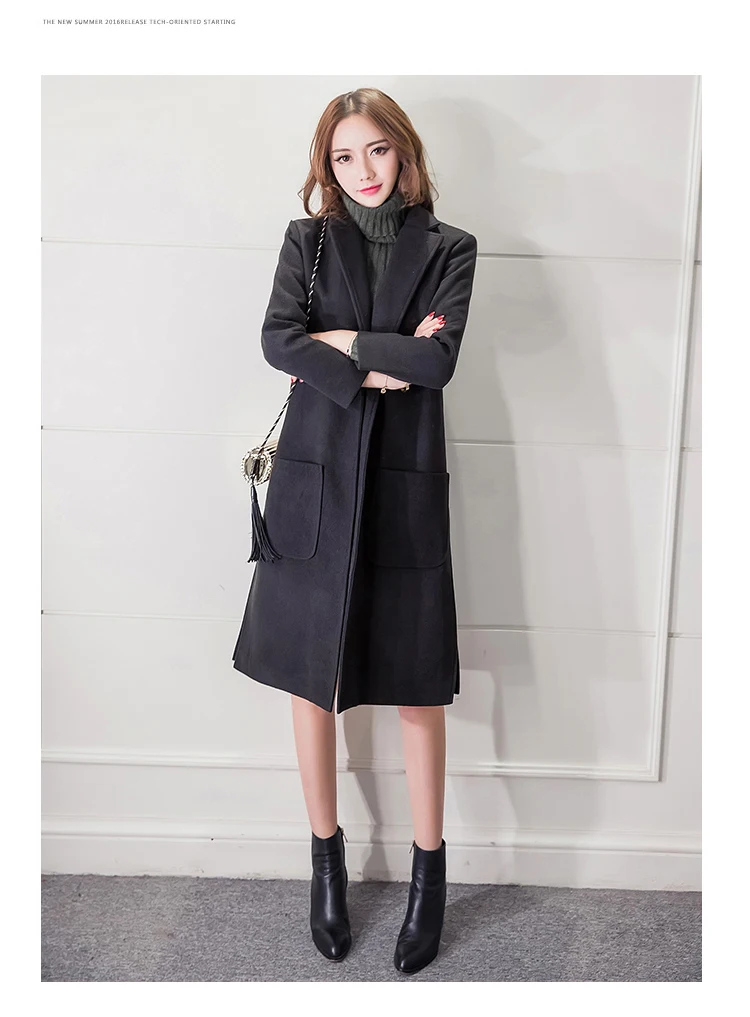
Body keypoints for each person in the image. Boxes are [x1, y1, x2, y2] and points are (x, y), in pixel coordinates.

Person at [232, 87, 478, 974]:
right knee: (311, 677)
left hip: (403, 481)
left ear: (403, 150)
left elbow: (437, 360)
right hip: (315, 476)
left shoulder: (450, 246)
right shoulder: (307, 242)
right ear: (326, 166)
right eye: (343, 156)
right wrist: (378, 360)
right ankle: (326, 863)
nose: (362, 170)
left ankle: (429, 876)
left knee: (416, 684)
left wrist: (344, 342)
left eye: (376, 149)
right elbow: (278, 340)